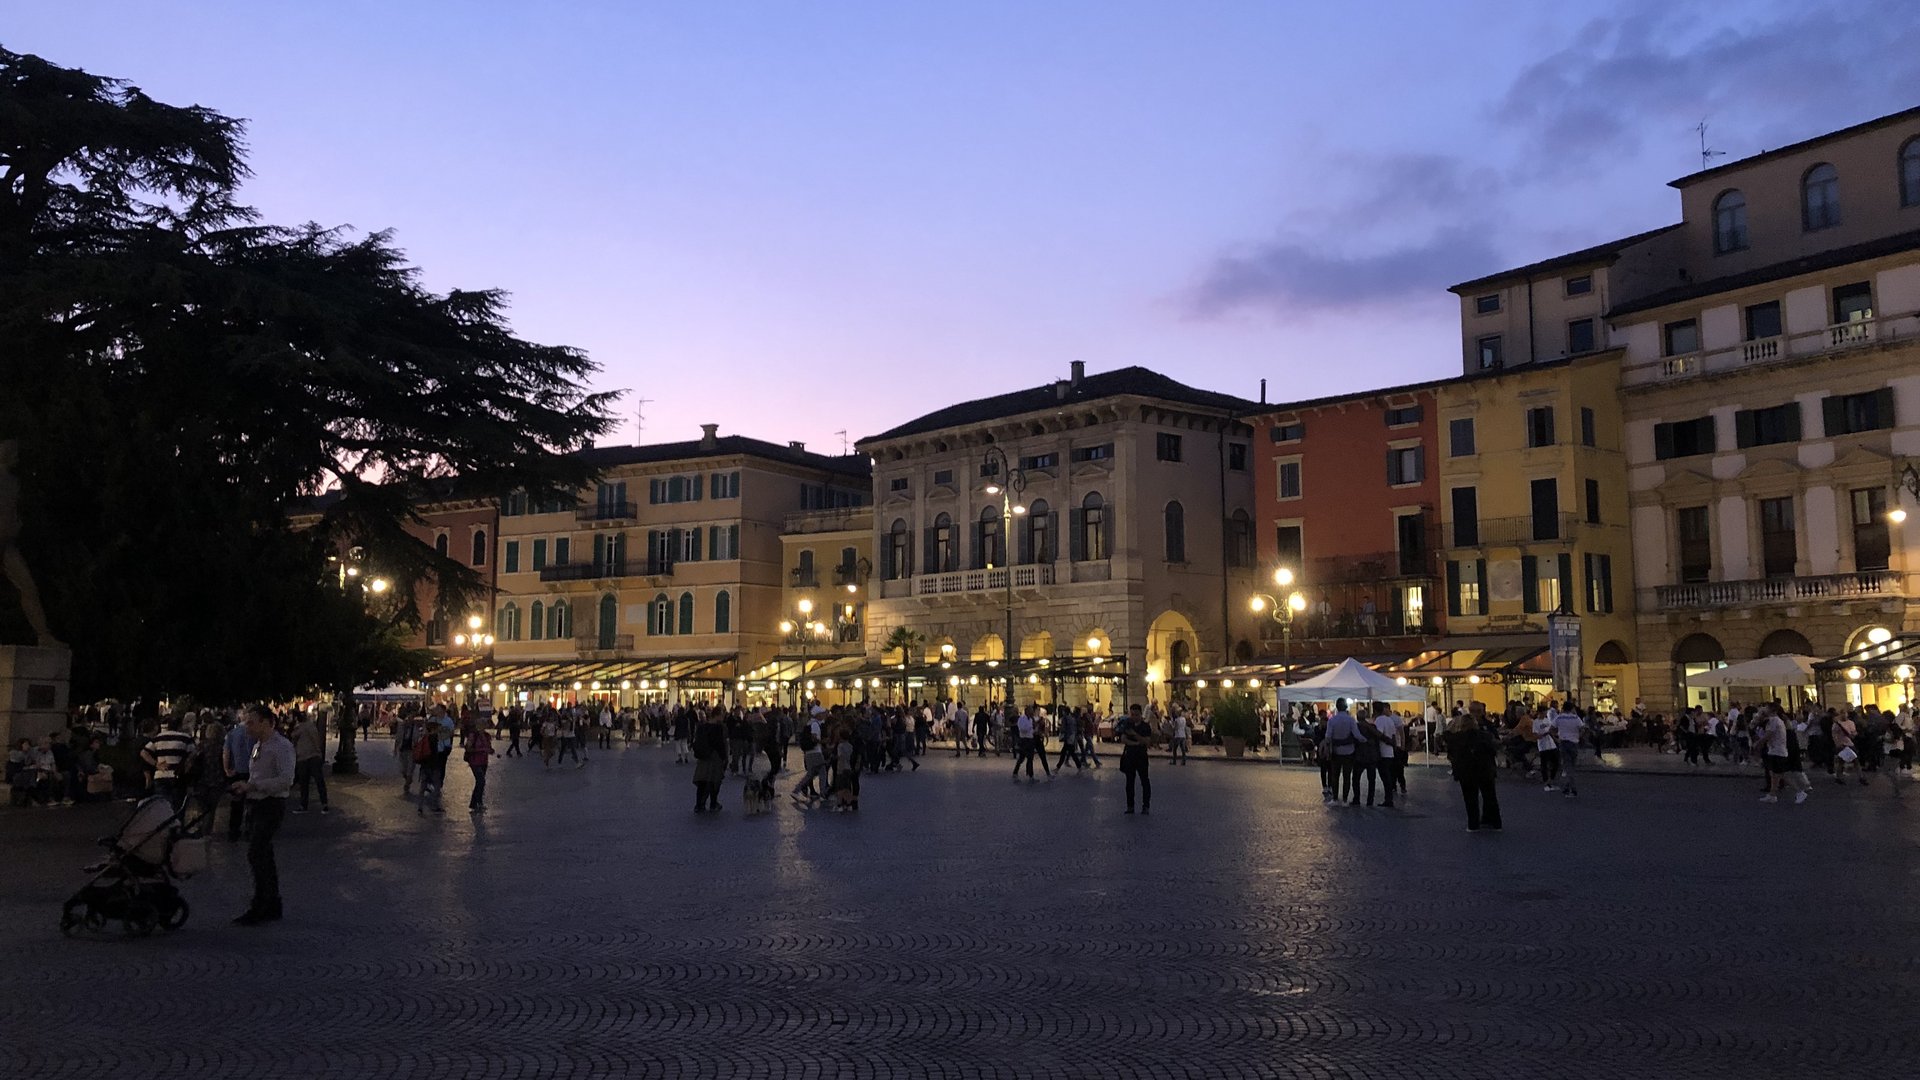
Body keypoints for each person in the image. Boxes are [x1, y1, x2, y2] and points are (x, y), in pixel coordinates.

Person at [230, 704, 294, 925]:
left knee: (257, 853)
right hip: (256, 804)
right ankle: (272, 903)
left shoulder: (281, 747)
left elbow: (286, 780)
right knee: (263, 854)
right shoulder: (258, 745)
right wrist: (246, 786)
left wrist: (253, 786)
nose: (247, 726)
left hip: (271, 805)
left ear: (267, 723)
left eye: (251, 722)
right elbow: (257, 775)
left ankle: (261, 904)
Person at [1444, 710, 1502, 833]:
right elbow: (1494, 749)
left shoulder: (1457, 738)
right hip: (1486, 770)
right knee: (1490, 796)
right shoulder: (1486, 736)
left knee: (1470, 798)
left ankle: (1473, 824)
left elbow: (1445, 737)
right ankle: (1496, 823)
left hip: (1467, 771)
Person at [141, 718, 195, 809]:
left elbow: (144, 753)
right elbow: (193, 755)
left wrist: (156, 764)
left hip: (160, 776)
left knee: (162, 807)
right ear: (179, 726)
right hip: (177, 776)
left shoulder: (158, 737)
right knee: (177, 806)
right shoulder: (185, 738)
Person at [290, 711, 330, 814]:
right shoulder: (312, 727)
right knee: (319, 781)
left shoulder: (299, 729)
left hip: (303, 757)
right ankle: (324, 804)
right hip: (314, 755)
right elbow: (317, 740)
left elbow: (293, 738)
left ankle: (304, 805)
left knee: (304, 783)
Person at [222, 714, 255, 840]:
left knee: (236, 803)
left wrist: (227, 769)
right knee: (251, 801)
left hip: (237, 771)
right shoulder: (254, 734)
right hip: (251, 771)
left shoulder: (231, 734)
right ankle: (249, 829)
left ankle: (234, 831)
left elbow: (226, 753)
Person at [1118, 703, 1154, 814]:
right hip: (1130, 756)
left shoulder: (1145, 726)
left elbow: (1147, 742)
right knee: (1129, 782)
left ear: (1140, 714)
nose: (1134, 717)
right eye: (1132, 714)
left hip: (1141, 757)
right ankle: (1130, 806)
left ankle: (1146, 806)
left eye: (1136, 715)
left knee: (1144, 781)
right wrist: (1136, 743)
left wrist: (1134, 735)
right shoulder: (1127, 724)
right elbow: (1123, 738)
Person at [1323, 699, 1360, 805]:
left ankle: (1335, 798)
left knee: (1335, 775)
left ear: (1337, 707)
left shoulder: (1332, 720)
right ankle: (1345, 799)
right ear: (1346, 707)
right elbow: (1357, 735)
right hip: (1349, 751)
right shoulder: (1351, 720)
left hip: (1336, 751)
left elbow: (1328, 737)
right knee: (1347, 776)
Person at [691, 710, 727, 812]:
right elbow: (720, 744)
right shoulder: (718, 728)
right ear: (717, 716)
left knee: (702, 781)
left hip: (703, 758)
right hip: (714, 757)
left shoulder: (702, 727)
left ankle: (699, 804)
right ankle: (713, 803)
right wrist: (724, 758)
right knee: (714, 781)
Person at [1372, 703, 1404, 808]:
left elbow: (1379, 734)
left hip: (1383, 751)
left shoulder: (1379, 720)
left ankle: (1388, 799)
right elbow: (1394, 735)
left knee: (1385, 777)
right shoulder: (1389, 719)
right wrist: (1393, 746)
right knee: (1389, 776)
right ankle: (1389, 798)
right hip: (1390, 752)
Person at [1551, 702, 1585, 798]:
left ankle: (1572, 789)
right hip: (1574, 743)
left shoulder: (1559, 718)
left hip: (1563, 742)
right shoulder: (1575, 718)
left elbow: (1551, 729)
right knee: (1572, 766)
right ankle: (1567, 786)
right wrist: (1578, 736)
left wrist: (1556, 738)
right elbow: (1582, 729)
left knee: (1567, 766)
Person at [1011, 705, 1053, 781]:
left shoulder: (1031, 719)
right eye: (1031, 711)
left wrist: (1036, 730)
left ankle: (1031, 775)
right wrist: (1032, 728)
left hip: (1031, 739)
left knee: (1031, 757)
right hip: (1025, 740)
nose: (1032, 712)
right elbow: (1022, 729)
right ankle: (1017, 773)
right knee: (1022, 758)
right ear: (1027, 711)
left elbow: (1032, 730)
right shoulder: (1022, 719)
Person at [464, 720, 493, 812]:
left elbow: (489, 747)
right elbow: (468, 748)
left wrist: (490, 750)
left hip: (484, 761)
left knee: (480, 782)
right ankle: (475, 803)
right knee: (481, 781)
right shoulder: (473, 736)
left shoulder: (487, 736)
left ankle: (477, 803)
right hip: (474, 762)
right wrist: (481, 750)